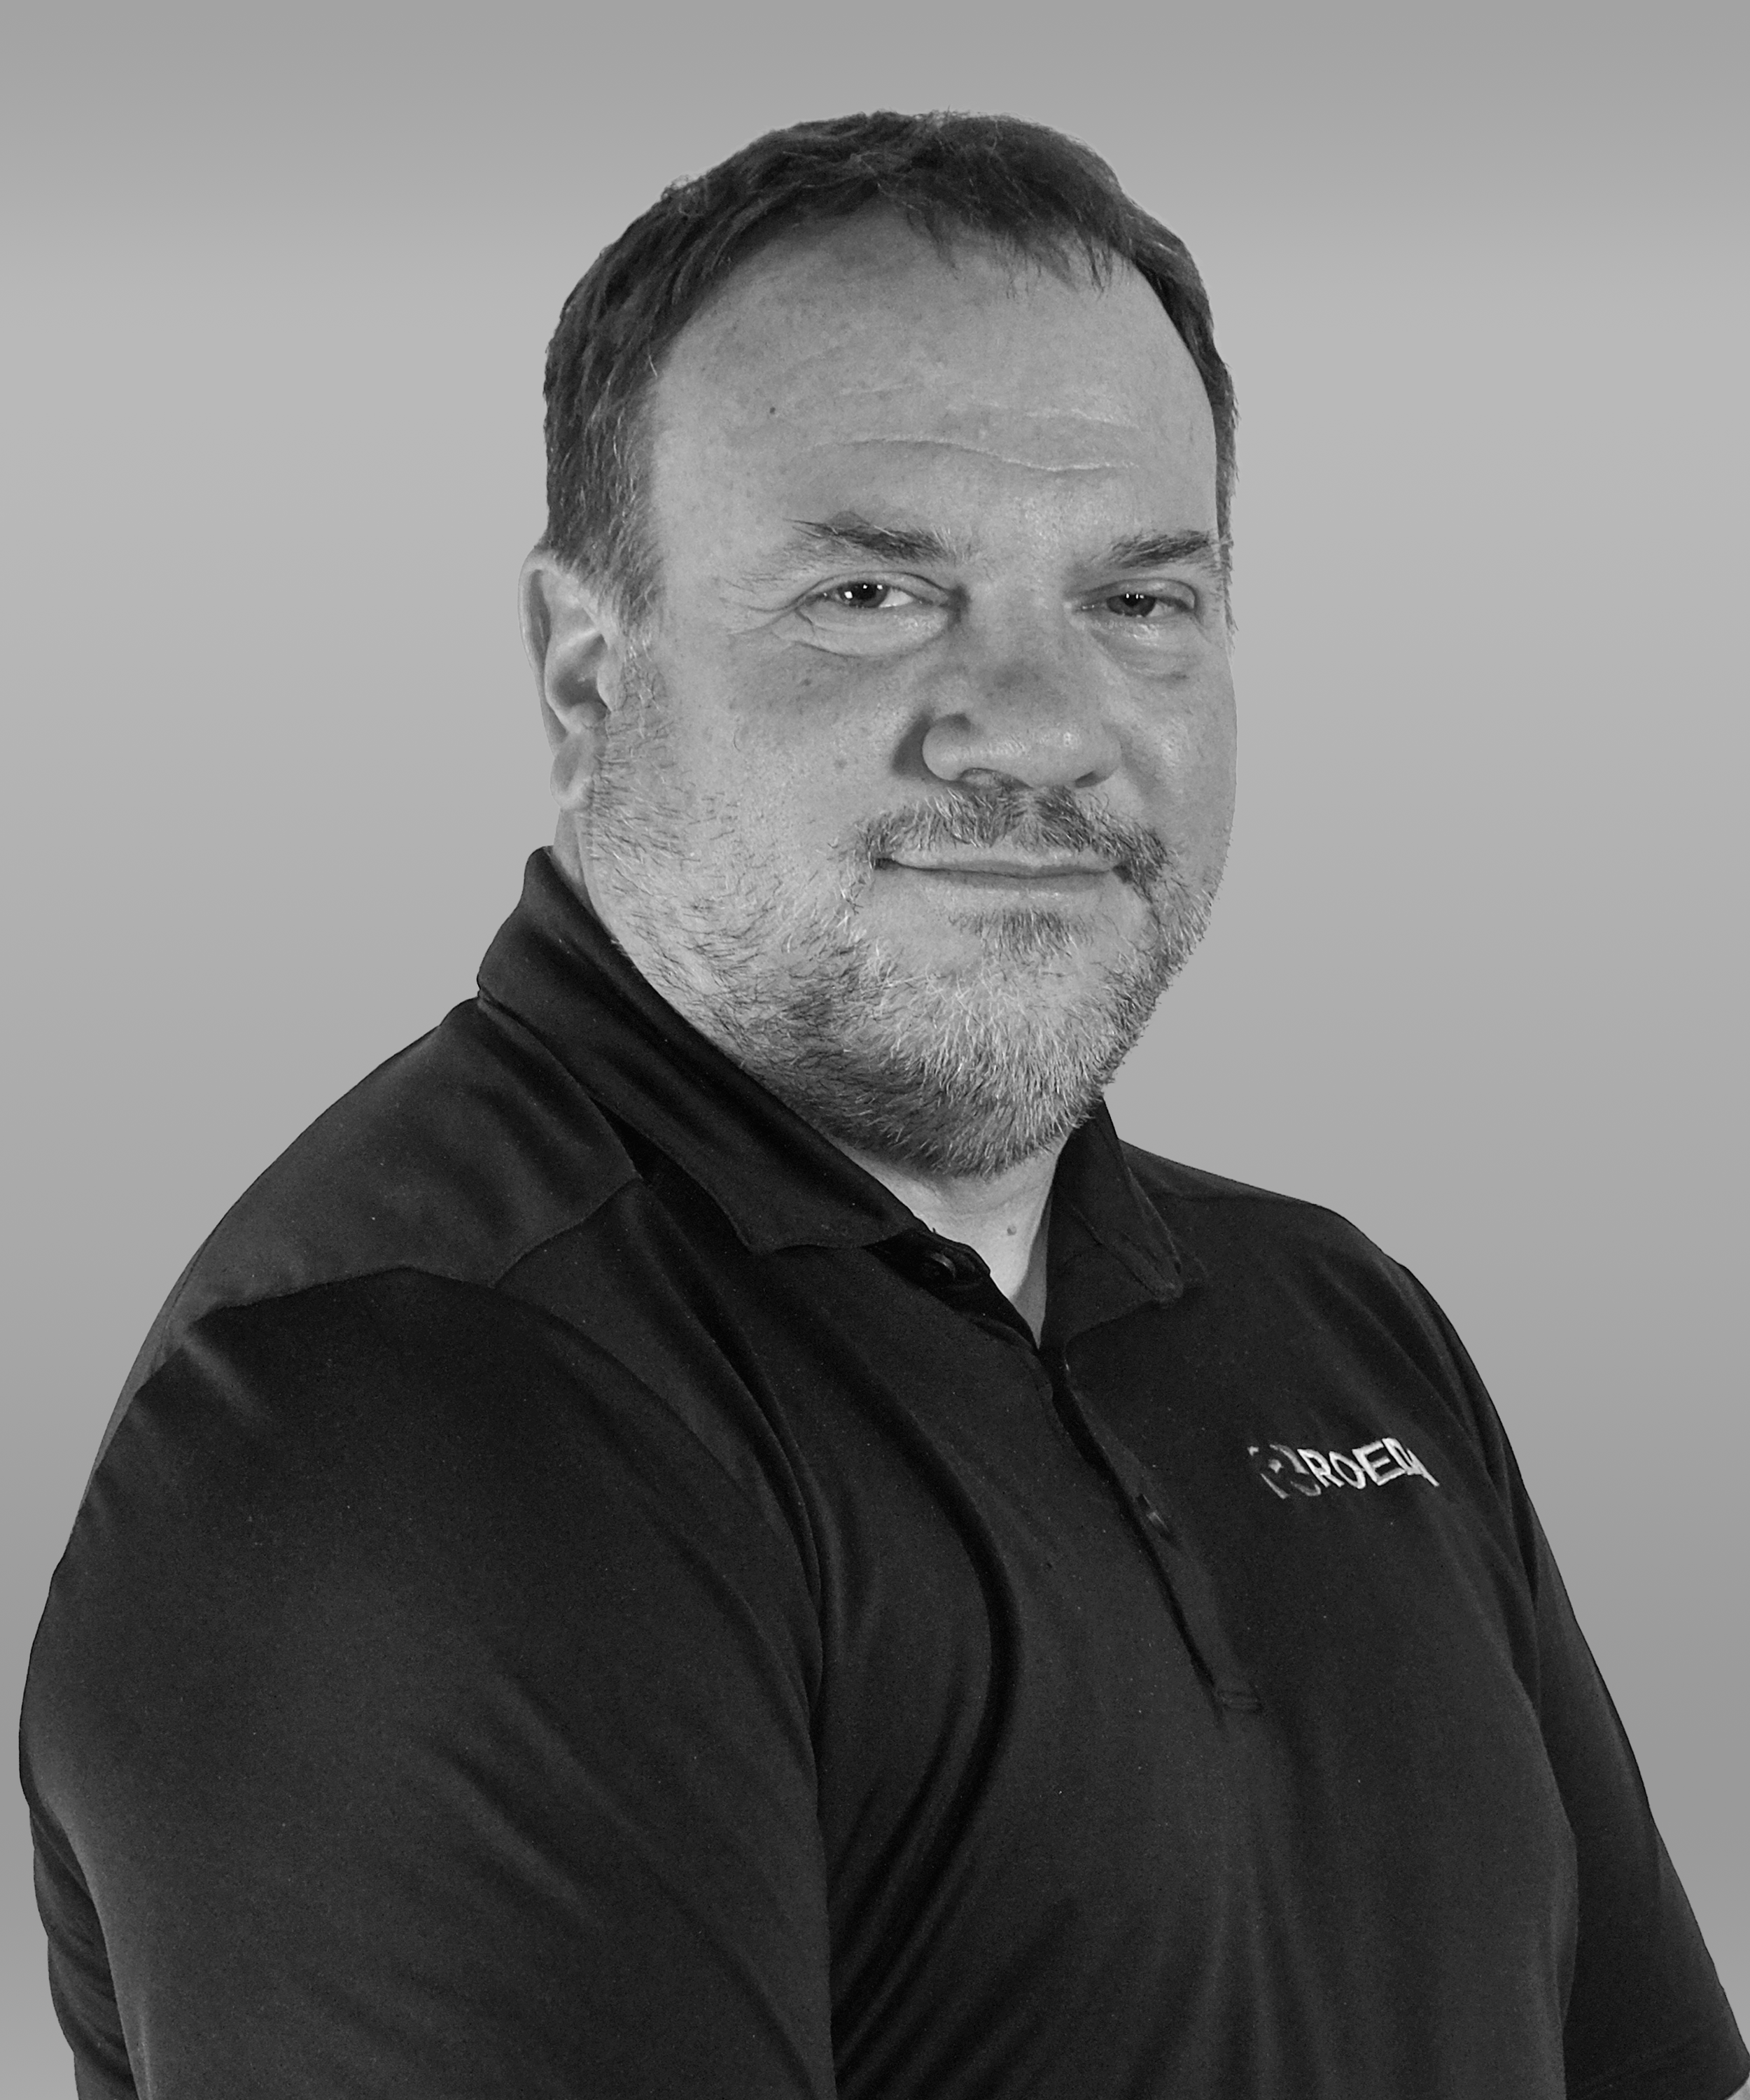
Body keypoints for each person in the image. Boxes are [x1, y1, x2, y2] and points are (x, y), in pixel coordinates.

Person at [20, 110, 1746, 2100]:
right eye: (871, 595)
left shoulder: (1336, 1326)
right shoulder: (410, 1410)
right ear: (586, 672)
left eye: (1139, 603)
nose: (1040, 726)